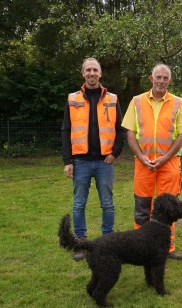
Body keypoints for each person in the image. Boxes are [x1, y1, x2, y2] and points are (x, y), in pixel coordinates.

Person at [122, 63, 182, 261]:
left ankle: (168, 249)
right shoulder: (136, 101)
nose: (161, 81)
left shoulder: (179, 103)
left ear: (170, 81)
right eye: (158, 77)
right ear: (151, 79)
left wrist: (165, 158)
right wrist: (142, 157)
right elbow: (130, 133)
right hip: (143, 163)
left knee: (169, 208)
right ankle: (140, 247)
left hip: (169, 163)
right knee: (142, 205)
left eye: (165, 78)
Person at [61, 57, 125, 247]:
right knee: (79, 204)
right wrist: (67, 161)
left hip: (105, 162)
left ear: (100, 73)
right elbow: (66, 130)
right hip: (80, 162)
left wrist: (115, 153)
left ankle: (108, 241)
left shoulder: (112, 99)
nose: (92, 73)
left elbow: (120, 129)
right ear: (83, 73)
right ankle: (81, 242)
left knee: (107, 204)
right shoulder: (72, 99)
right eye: (88, 70)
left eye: (95, 70)